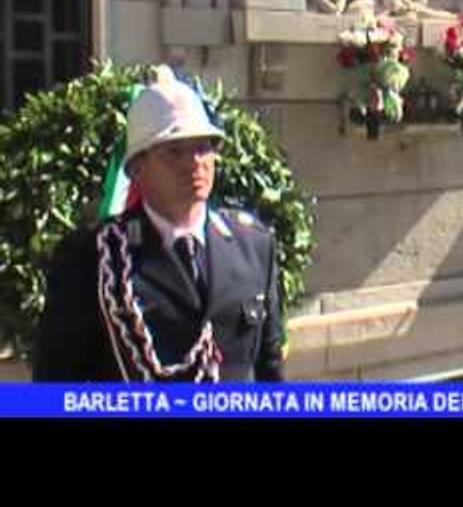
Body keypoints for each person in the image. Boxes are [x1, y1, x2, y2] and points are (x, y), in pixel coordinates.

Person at [32, 71, 284, 382]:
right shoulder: (92, 257)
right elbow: (57, 382)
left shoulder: (254, 245)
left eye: (204, 147)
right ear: (137, 168)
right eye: (174, 151)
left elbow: (269, 369)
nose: (194, 162)